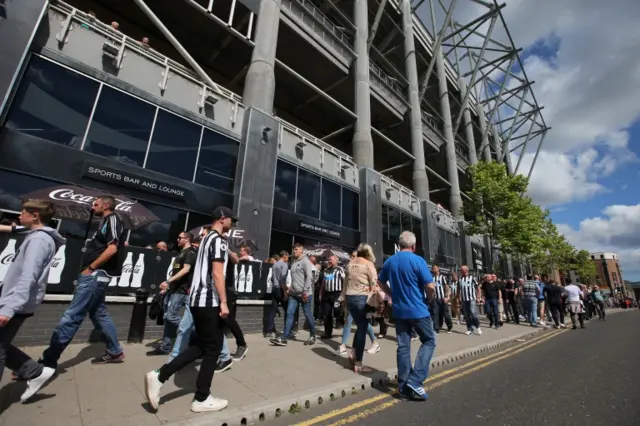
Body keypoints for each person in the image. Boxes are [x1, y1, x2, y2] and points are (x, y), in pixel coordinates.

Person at [144, 206, 235, 413]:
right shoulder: (219, 242)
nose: (233, 224)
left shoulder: (203, 241)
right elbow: (218, 273)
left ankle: (159, 376)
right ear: (222, 219)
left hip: (195, 300)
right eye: (232, 220)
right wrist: (223, 302)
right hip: (209, 301)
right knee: (212, 349)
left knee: (203, 346)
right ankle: (201, 398)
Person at [41, 195, 125, 370]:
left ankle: (48, 361)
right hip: (95, 274)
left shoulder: (114, 220)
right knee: (99, 313)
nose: (92, 207)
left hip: (96, 274)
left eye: (95, 204)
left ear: (107, 206)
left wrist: (91, 268)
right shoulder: (104, 222)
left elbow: (112, 248)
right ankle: (115, 350)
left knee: (72, 315)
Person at [0, 200, 66, 402]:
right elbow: (16, 228)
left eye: (23, 212)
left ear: (35, 215)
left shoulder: (39, 241)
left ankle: (35, 372)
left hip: (16, 303)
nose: (19, 215)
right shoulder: (36, 235)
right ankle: (34, 371)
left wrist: (9, 308)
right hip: (16, 300)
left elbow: (28, 276)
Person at [378, 231, 436, 401]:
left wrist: (392, 295)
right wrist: (429, 299)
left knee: (403, 347)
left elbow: (380, 281)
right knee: (429, 340)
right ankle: (415, 379)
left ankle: (403, 389)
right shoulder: (418, 260)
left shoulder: (390, 261)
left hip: (399, 310)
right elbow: (431, 286)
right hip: (418, 309)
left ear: (399, 244)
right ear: (413, 246)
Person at [147, 232, 196, 356]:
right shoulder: (181, 253)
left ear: (188, 239)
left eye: (180, 237)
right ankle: (165, 346)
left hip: (182, 290)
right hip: (174, 289)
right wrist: (168, 287)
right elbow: (176, 271)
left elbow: (186, 269)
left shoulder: (190, 252)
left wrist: (168, 281)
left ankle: (195, 331)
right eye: (178, 237)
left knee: (170, 316)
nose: (177, 239)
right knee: (168, 319)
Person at [339, 243, 379, 372]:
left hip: (349, 298)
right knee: (362, 328)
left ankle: (353, 353)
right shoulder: (369, 264)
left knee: (360, 326)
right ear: (368, 253)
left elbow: (345, 283)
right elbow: (374, 284)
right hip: (362, 298)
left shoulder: (350, 263)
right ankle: (358, 364)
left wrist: (343, 298)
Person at [270, 244, 316, 346]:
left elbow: (309, 278)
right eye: (293, 249)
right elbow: (295, 278)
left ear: (301, 250)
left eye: (296, 249)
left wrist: (305, 292)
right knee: (290, 314)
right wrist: (290, 288)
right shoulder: (294, 262)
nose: (294, 251)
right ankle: (284, 337)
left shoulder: (306, 262)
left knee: (307, 315)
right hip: (293, 294)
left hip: (304, 294)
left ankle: (313, 335)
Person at [319, 255, 345, 339]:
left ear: (336, 261)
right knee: (327, 314)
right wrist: (320, 293)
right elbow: (323, 283)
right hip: (327, 294)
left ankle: (344, 326)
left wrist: (343, 294)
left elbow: (344, 281)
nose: (329, 261)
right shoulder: (326, 270)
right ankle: (328, 333)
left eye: (330, 260)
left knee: (338, 312)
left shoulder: (339, 269)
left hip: (336, 294)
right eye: (328, 260)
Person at [458, 265, 482, 336]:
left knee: (472, 312)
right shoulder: (460, 279)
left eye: (461, 270)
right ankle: (469, 329)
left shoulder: (472, 278)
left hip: (471, 298)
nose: (460, 271)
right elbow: (458, 289)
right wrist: (459, 297)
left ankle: (478, 326)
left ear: (466, 270)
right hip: (464, 299)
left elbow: (478, 288)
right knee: (466, 315)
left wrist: (478, 297)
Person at [430, 265, 453, 334]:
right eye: (432, 268)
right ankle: (436, 329)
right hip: (435, 299)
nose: (433, 269)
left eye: (434, 268)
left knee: (446, 314)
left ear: (438, 269)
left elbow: (446, 287)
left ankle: (449, 326)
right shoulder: (431, 278)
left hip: (442, 298)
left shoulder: (442, 277)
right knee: (435, 314)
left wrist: (446, 297)